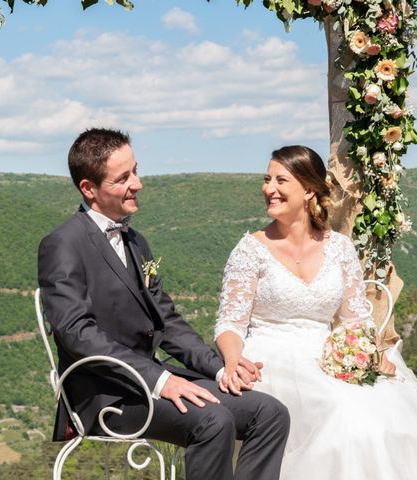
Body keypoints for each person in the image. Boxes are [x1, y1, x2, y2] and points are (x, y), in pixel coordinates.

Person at [37, 128, 290, 480]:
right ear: (88, 189)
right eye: (123, 178)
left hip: (154, 383)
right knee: (214, 420)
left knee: (270, 413)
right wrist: (160, 380)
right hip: (107, 396)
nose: (137, 183)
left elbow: (167, 322)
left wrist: (219, 370)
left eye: (135, 171)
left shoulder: (136, 241)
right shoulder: (62, 244)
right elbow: (78, 335)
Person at [214, 145, 417, 480]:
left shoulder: (338, 247)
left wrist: (369, 352)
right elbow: (229, 323)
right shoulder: (250, 250)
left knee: (389, 409)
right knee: (342, 417)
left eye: (280, 180)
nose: (269, 189)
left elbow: (355, 319)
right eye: (267, 180)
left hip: (326, 354)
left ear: (308, 189)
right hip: (271, 358)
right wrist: (234, 360)